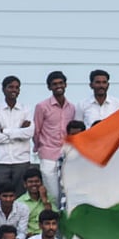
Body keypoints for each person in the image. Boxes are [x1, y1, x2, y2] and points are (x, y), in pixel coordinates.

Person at [33, 71, 75, 205]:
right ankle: (52, 223)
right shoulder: (42, 106)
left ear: (66, 84)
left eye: (61, 83)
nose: (58, 86)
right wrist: (39, 148)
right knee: (53, 195)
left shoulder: (72, 107)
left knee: (67, 192)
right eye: (54, 84)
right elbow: (36, 130)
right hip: (48, 155)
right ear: (49, 87)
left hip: (66, 155)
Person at [0, 75, 34, 196]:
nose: (14, 90)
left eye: (17, 87)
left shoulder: (26, 109)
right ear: (3, 89)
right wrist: (18, 132)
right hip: (0, 160)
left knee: (21, 197)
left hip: (21, 160)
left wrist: (6, 131)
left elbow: (29, 133)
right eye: (10, 87)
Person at [17, 169, 53, 238]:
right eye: (30, 182)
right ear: (25, 184)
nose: (34, 184)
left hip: (47, 235)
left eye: (37, 181)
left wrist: (45, 200)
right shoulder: (19, 202)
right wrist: (27, 234)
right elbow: (18, 224)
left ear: (41, 183)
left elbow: (52, 218)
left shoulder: (49, 198)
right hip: (28, 236)